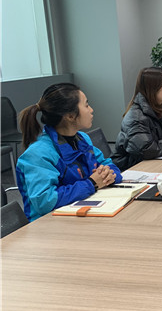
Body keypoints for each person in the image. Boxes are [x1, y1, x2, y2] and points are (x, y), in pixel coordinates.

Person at [16, 83, 122, 221]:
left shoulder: (82, 139)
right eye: (86, 105)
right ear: (70, 116)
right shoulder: (38, 154)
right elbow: (45, 202)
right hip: (49, 225)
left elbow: (109, 165)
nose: (91, 110)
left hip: (84, 212)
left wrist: (109, 174)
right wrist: (92, 183)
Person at [112, 67, 162, 171]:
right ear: (153, 89)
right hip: (130, 168)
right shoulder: (136, 117)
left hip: (153, 162)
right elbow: (146, 150)